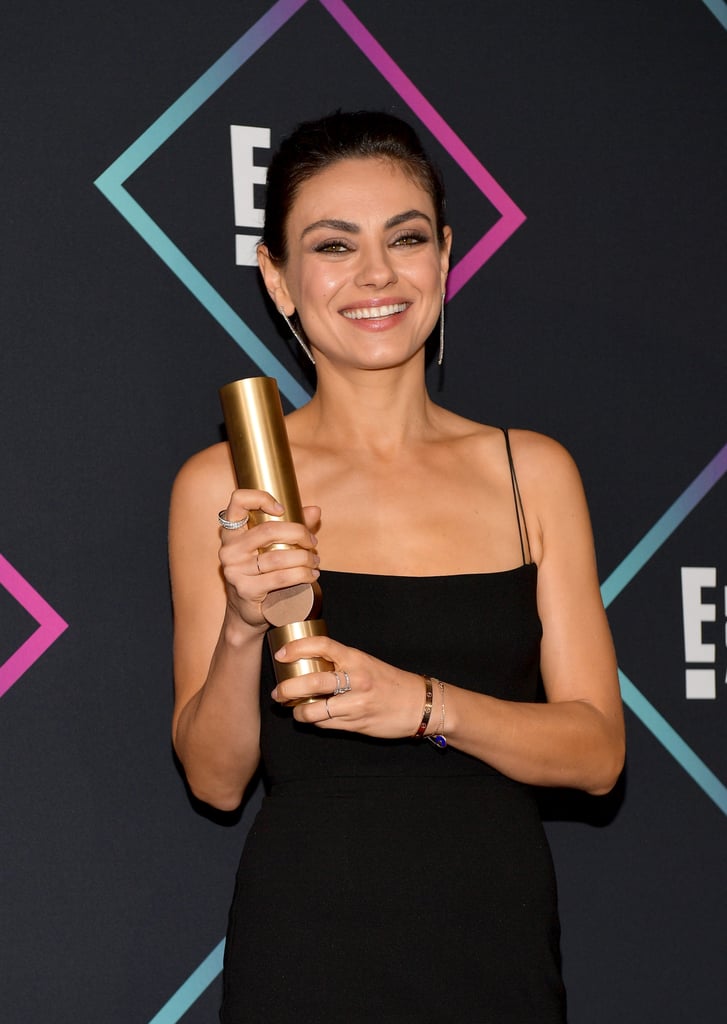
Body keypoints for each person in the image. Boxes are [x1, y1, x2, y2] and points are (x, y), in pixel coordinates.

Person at [169, 110, 625, 1022]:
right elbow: (215, 780)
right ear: (278, 278)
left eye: (404, 238)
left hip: (492, 941)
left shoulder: (529, 470)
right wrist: (242, 624)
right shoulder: (225, 482)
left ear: (445, 256)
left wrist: (422, 707)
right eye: (332, 245)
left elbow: (596, 754)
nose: (375, 275)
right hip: (306, 943)